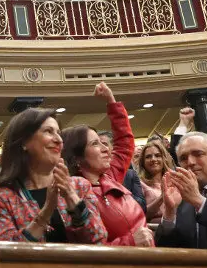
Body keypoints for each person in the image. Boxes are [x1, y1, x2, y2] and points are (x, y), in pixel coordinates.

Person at [0, 108, 107, 244]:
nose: (59, 140)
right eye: (48, 131)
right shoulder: (2, 197)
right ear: (24, 142)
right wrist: (46, 211)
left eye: (58, 133)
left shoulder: (80, 186)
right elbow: (8, 254)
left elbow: (99, 240)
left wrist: (71, 197)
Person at [61, 82, 151, 247]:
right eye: (95, 144)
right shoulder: (72, 194)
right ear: (77, 157)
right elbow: (85, 248)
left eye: (104, 144)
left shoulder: (110, 176)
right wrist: (130, 242)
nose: (106, 149)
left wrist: (111, 101)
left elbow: (124, 143)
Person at [136, 139, 176, 222]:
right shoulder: (139, 184)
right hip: (154, 231)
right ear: (142, 162)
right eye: (148, 157)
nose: (153, 159)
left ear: (164, 158)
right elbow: (139, 215)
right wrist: (162, 197)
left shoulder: (174, 180)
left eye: (157, 155)